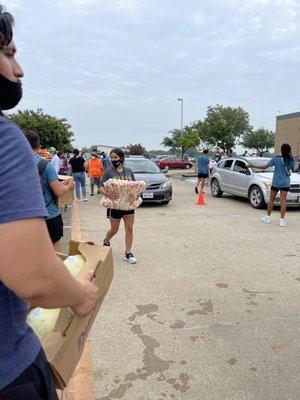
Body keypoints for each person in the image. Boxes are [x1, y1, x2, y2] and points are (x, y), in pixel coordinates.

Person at [0, 6, 99, 399]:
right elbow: (36, 278)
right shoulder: (8, 143)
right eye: (8, 54)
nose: (19, 69)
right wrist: (78, 294)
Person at [24, 130, 75, 251]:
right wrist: (69, 187)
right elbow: (58, 191)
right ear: (38, 146)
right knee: (54, 253)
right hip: (48, 216)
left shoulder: (14, 165)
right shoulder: (45, 165)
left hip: (26, 218)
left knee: (32, 252)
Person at [99, 148, 137, 264]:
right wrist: (107, 194)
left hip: (128, 206)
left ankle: (128, 253)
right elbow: (100, 186)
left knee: (129, 228)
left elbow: (134, 187)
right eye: (112, 157)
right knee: (114, 230)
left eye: (115, 157)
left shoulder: (129, 171)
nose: (113, 160)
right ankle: (106, 240)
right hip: (115, 206)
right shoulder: (108, 172)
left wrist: (134, 195)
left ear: (121, 158)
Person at [247, 143, 295, 227]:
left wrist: (253, 166)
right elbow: (291, 170)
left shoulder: (276, 159)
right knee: (283, 202)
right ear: (289, 150)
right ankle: (282, 221)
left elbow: (264, 167)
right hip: (285, 183)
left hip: (276, 183)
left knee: (271, 200)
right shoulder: (291, 160)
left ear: (281, 150)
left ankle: (268, 217)